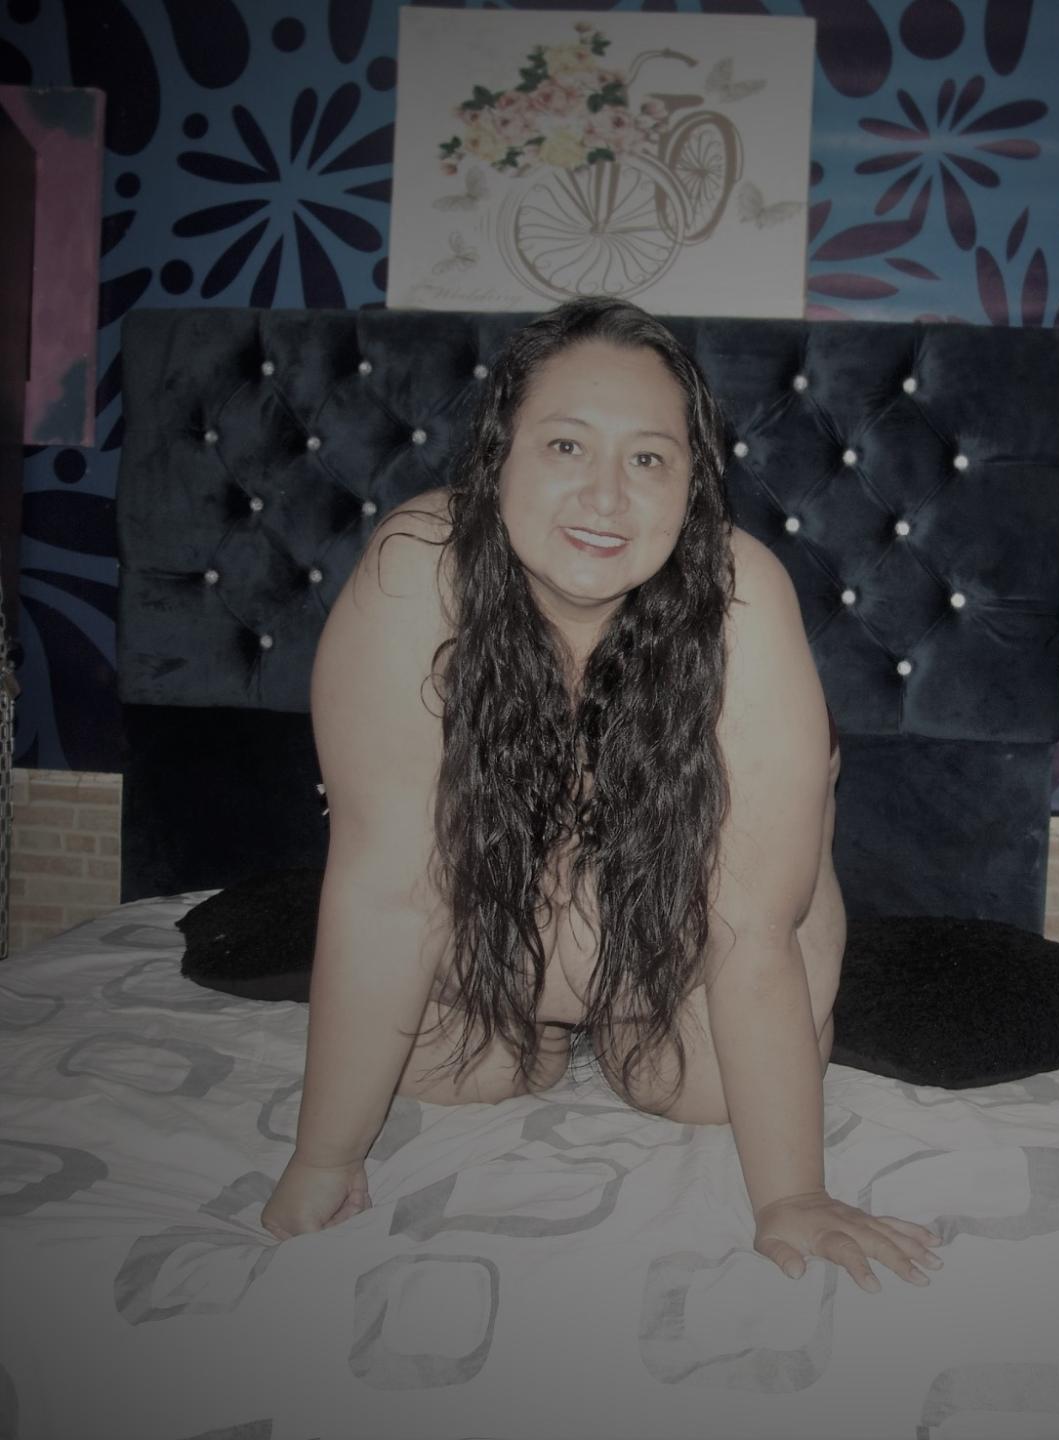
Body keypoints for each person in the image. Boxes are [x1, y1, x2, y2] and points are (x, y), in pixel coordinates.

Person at [260, 297, 943, 1295]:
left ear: (692, 487)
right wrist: (323, 1158)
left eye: (649, 459)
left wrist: (792, 1197)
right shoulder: (417, 573)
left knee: (698, 1088)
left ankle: (641, 1000)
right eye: (566, 445)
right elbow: (386, 887)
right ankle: (539, 1025)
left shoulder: (741, 599)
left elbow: (748, 929)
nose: (606, 497)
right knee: (449, 1069)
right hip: (509, 897)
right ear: (498, 456)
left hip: (695, 915)